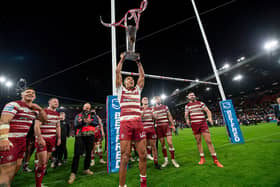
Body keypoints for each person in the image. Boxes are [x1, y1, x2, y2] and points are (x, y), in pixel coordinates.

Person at [0, 88, 47, 187]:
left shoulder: (34, 109)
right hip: (10, 140)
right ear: (22, 94)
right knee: (6, 171)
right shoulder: (13, 105)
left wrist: (40, 109)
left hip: (22, 141)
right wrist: (3, 139)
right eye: (28, 92)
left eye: (33, 93)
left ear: (35, 97)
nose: (30, 93)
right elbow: (4, 121)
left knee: (15, 168)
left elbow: (44, 120)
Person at [116, 53, 147, 187]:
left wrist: (138, 63)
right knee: (125, 156)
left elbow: (142, 76)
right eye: (128, 79)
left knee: (143, 155)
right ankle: (121, 185)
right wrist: (122, 59)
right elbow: (117, 72)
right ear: (123, 82)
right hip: (125, 125)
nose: (131, 80)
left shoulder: (137, 91)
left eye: (131, 79)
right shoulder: (120, 90)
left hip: (138, 124)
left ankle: (143, 183)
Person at [185, 92, 223, 168]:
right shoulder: (187, 106)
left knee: (209, 141)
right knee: (198, 141)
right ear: (188, 97)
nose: (192, 96)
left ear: (195, 96)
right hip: (194, 125)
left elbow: (208, 111)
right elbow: (186, 115)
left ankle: (215, 160)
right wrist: (187, 120)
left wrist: (210, 118)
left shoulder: (200, 103)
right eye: (190, 95)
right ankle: (202, 158)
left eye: (193, 95)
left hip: (203, 123)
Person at [68, 103, 98, 184]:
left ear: (90, 108)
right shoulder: (78, 115)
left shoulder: (93, 115)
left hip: (90, 136)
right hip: (80, 136)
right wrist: (83, 122)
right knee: (77, 154)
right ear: (83, 108)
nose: (87, 109)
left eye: (88, 108)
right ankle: (73, 173)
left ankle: (86, 169)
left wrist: (90, 121)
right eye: (86, 107)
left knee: (89, 153)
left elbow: (96, 123)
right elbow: (76, 125)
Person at [34, 98, 61, 187]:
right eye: (54, 101)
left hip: (52, 139)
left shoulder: (57, 114)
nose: (56, 103)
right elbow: (37, 126)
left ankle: (39, 180)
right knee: (42, 163)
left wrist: (59, 138)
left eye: (57, 102)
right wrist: (40, 138)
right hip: (43, 139)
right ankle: (38, 184)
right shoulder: (44, 111)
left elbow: (57, 126)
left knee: (44, 162)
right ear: (49, 102)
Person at [153, 96, 180, 168]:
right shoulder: (153, 109)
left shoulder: (165, 107)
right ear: (154, 100)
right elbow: (152, 119)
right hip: (158, 127)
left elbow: (169, 116)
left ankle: (173, 160)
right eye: (156, 99)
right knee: (162, 144)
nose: (158, 100)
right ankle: (166, 160)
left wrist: (173, 125)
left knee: (170, 143)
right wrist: (154, 117)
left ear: (160, 100)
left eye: (159, 99)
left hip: (166, 126)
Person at [141, 97, 161, 169]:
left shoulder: (152, 109)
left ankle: (156, 163)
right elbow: (139, 118)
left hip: (151, 129)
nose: (146, 100)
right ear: (141, 101)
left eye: (147, 99)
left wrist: (153, 114)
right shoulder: (139, 109)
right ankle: (143, 164)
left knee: (154, 147)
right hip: (143, 130)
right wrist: (143, 110)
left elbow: (156, 118)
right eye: (144, 99)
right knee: (143, 148)